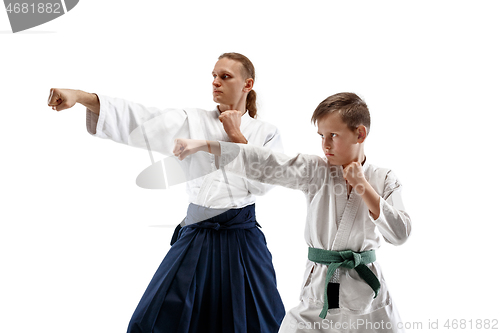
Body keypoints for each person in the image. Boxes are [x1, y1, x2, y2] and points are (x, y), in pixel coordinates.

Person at [47, 53, 286, 333]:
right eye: (213, 76)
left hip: (243, 238)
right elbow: (143, 120)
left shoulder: (266, 133)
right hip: (197, 233)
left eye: (225, 76)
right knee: (155, 318)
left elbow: (265, 183)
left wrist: (236, 135)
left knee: (256, 320)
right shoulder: (192, 121)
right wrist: (81, 96)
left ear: (248, 84)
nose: (215, 82)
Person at [173, 92, 412, 333]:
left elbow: (400, 233)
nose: (325, 145)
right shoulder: (316, 170)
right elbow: (269, 164)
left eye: (333, 135)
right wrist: (207, 145)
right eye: (321, 136)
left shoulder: (384, 178)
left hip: (367, 297)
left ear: (360, 133)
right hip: (319, 292)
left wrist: (364, 187)